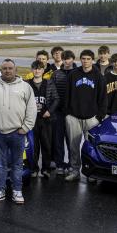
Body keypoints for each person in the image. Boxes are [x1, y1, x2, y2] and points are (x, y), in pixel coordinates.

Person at [0, 59, 36, 204]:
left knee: (17, 164)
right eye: (4, 68)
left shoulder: (25, 87)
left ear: (15, 70)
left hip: (17, 133)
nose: (7, 70)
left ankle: (17, 191)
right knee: (0, 164)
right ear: (1, 70)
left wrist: (25, 128)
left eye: (10, 68)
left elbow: (31, 110)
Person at [64, 49, 106, 182]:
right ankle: (75, 170)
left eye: (88, 59)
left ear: (93, 60)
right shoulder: (73, 74)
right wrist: (67, 114)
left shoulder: (98, 76)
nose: (85, 61)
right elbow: (66, 95)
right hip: (74, 117)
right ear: (80, 59)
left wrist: (99, 116)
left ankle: (91, 173)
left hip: (91, 118)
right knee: (73, 146)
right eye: (83, 58)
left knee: (91, 148)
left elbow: (103, 97)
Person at [28, 60, 59, 178]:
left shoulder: (49, 83)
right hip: (31, 120)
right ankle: (33, 169)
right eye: (35, 68)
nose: (37, 70)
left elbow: (56, 99)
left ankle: (45, 169)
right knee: (33, 146)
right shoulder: (27, 84)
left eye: (39, 68)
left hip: (46, 120)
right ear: (32, 70)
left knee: (46, 145)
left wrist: (49, 111)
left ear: (43, 70)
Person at [50, 50, 77, 175]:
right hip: (58, 112)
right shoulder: (56, 74)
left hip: (72, 112)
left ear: (72, 59)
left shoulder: (77, 74)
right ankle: (59, 164)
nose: (67, 61)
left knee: (71, 140)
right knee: (58, 139)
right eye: (65, 59)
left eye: (69, 59)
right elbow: (51, 92)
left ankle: (72, 164)